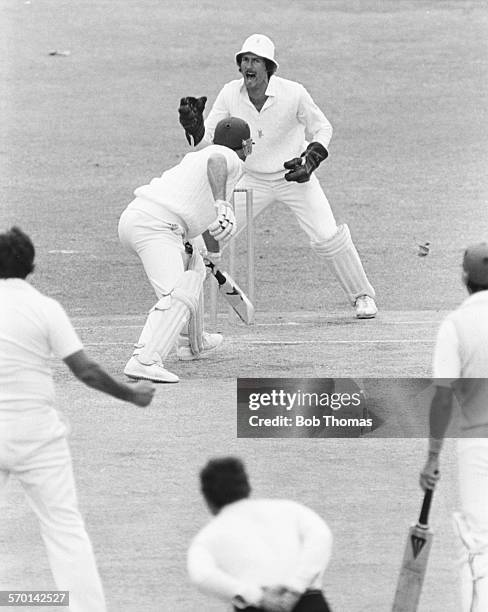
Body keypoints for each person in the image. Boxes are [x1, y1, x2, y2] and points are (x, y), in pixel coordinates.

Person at [0, 227, 155, 612]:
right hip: (38, 435)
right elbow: (86, 371)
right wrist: (132, 396)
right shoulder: (45, 308)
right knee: (64, 530)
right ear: (32, 266)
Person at [178, 33, 377, 320]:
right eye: (245, 60)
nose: (249, 66)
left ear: (268, 67)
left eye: (255, 61)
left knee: (327, 236)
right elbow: (209, 143)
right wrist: (194, 127)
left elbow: (323, 128)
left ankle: (362, 295)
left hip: (294, 176)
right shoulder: (230, 94)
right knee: (210, 236)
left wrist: (311, 159)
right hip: (250, 181)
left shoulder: (293, 93)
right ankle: (183, 303)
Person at [118, 117, 252, 383]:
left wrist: (199, 247)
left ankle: (191, 343)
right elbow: (219, 161)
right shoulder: (224, 157)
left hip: (142, 219)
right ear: (247, 145)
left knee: (195, 267)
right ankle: (144, 360)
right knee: (179, 291)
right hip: (156, 226)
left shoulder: (197, 157)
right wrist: (223, 204)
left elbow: (192, 209)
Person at [420, 242, 488, 612]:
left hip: (478, 444)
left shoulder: (456, 324)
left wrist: (432, 458)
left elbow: (443, 397)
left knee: (477, 544)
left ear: (465, 278)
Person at [187, 456, 333, 611]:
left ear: (207, 498)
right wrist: (296, 587)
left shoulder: (207, 537)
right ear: (247, 486)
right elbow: (321, 537)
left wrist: (256, 596)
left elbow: (202, 576)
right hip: (308, 602)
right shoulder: (291, 510)